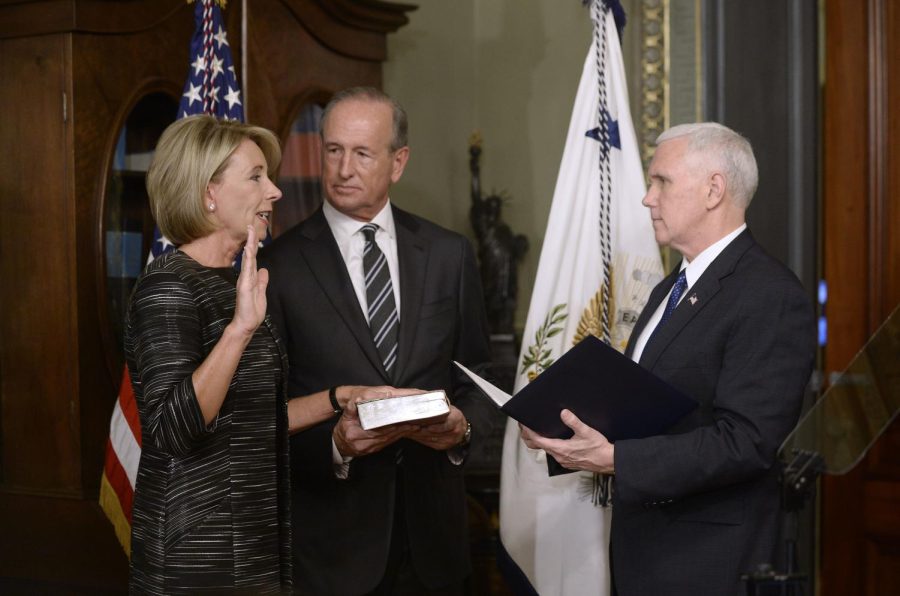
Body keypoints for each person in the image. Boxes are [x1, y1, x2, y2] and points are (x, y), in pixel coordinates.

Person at [520, 122, 816, 596]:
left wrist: (616, 458)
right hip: (644, 552)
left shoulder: (770, 294)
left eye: (662, 181)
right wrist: (568, 434)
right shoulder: (669, 289)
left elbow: (747, 441)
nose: (647, 197)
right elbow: (647, 413)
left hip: (708, 564)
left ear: (713, 190)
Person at [259, 87, 493, 595]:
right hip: (330, 552)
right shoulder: (276, 267)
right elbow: (261, 415)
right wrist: (337, 447)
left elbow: (481, 378)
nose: (344, 169)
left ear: (398, 162)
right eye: (334, 150)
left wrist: (462, 429)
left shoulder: (449, 254)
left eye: (362, 153)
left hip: (436, 546)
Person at [126, 115, 356, 594]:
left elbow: (255, 417)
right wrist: (240, 330)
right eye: (255, 177)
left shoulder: (239, 282)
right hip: (199, 556)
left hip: (256, 543)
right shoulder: (168, 287)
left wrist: (340, 397)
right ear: (208, 192)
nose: (274, 191)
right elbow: (173, 429)